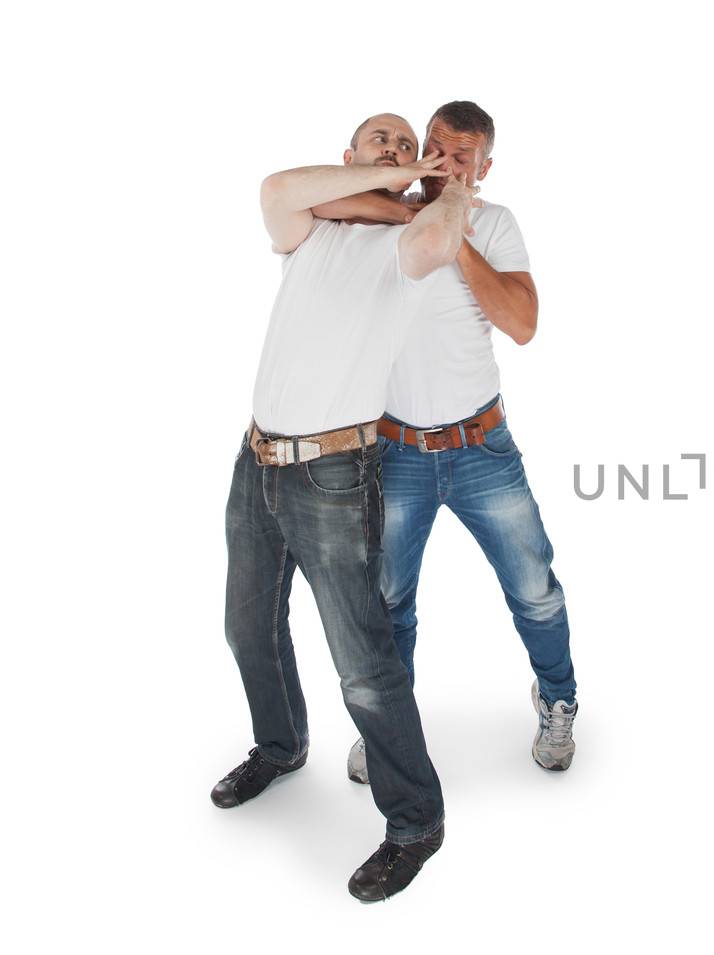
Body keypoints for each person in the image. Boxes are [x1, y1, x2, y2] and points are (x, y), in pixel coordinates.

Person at [213, 112, 474, 902]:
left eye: (403, 145)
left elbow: (442, 238)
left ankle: (415, 820)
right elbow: (277, 190)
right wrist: (384, 185)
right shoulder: (311, 229)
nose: (393, 150)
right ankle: (282, 744)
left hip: (333, 472)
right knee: (246, 625)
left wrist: (444, 187)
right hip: (257, 458)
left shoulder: (401, 243)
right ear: (351, 156)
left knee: (363, 663)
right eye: (378, 141)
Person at [323, 101, 579, 783]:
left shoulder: (494, 224)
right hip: (396, 453)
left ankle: (558, 699)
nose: (444, 161)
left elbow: (522, 324)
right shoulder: (383, 216)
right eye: (434, 146)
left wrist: (455, 228)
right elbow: (316, 212)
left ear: (483, 166)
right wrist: (412, 201)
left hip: (481, 450)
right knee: (387, 601)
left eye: (460, 155)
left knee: (534, 589)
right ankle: (388, 730)